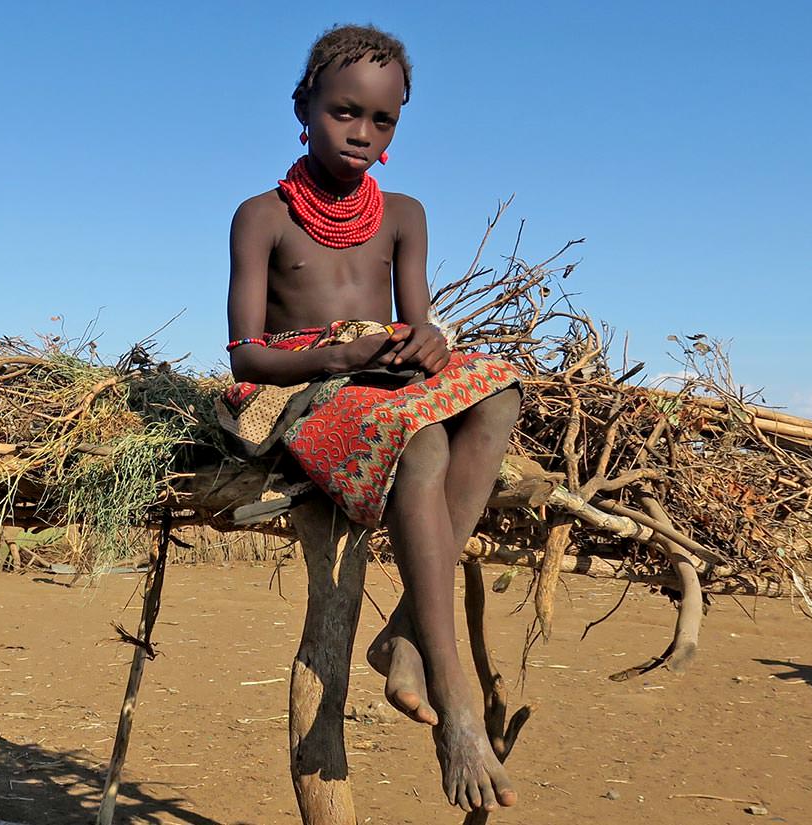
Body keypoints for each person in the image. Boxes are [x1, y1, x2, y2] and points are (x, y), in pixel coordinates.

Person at [221, 24, 522, 815]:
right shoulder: (261, 216)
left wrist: (425, 340)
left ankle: (403, 629)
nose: (361, 132)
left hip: (378, 378)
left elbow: (417, 327)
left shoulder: (405, 215)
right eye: (345, 112)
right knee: (418, 443)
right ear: (303, 105)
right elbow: (245, 357)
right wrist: (329, 358)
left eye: (382, 121)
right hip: (300, 388)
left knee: (501, 391)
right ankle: (454, 697)